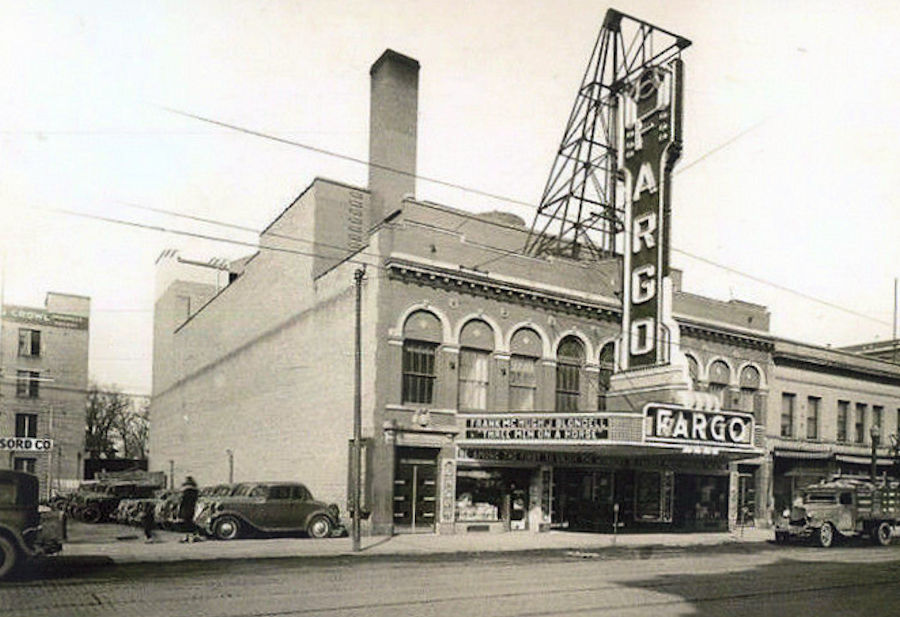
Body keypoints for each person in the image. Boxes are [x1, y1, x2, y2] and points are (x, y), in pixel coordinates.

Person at [178, 476, 200, 541]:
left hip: (186, 509)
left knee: (187, 523)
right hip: (192, 508)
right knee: (190, 522)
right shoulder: (195, 491)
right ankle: (193, 536)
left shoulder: (186, 492)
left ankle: (189, 537)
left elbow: (183, 501)